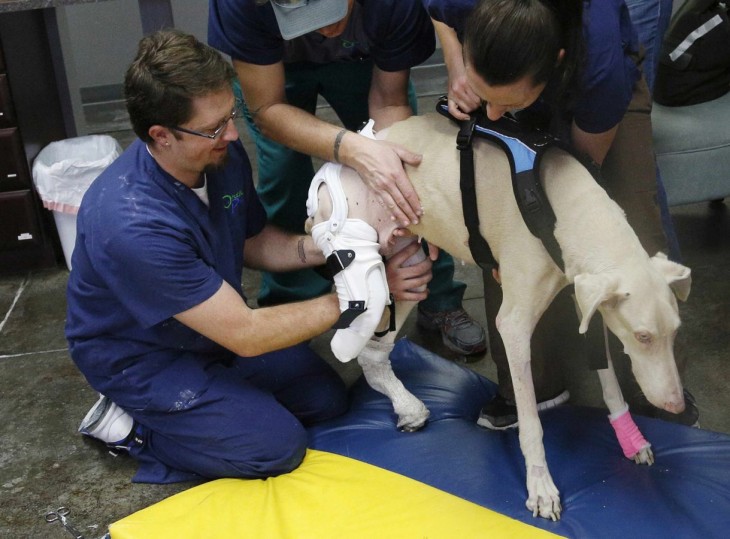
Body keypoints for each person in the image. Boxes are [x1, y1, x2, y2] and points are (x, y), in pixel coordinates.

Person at [66, 29, 434, 484]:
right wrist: (369, 293)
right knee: (274, 447)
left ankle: (215, 405)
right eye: (215, 127)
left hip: (206, 330)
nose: (233, 133)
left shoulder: (218, 155)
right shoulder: (131, 224)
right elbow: (246, 335)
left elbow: (251, 242)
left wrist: (347, 245)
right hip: (144, 358)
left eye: (231, 114)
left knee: (325, 398)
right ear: (160, 135)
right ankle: (130, 426)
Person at [424, 0, 698, 427]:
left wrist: (551, 240)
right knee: (504, 229)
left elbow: (581, 182)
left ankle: (656, 389)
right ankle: (537, 385)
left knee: (633, 230)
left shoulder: (600, 63)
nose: (491, 115)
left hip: (595, 91)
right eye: (487, 100)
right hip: (510, 65)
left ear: (556, 63)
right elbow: (439, 12)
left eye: (505, 102)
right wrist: (460, 67)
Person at [207, 0, 487, 356]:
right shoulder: (243, 5)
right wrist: (351, 148)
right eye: (306, 17)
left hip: (361, 60)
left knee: (406, 172)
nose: (323, 30)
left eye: (328, 11)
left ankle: (436, 295)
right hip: (274, 69)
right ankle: (290, 307)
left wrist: (388, 176)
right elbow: (268, 109)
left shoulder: (391, 5)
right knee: (283, 176)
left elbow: (389, 103)